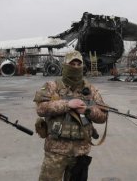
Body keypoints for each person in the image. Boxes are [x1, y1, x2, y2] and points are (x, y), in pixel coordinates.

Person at [34, 50, 108, 181]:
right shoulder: (52, 86)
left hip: (80, 152)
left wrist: (87, 111)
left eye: (78, 64)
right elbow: (41, 109)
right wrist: (67, 104)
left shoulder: (91, 89)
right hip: (56, 151)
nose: (75, 67)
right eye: (72, 64)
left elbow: (103, 117)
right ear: (65, 66)